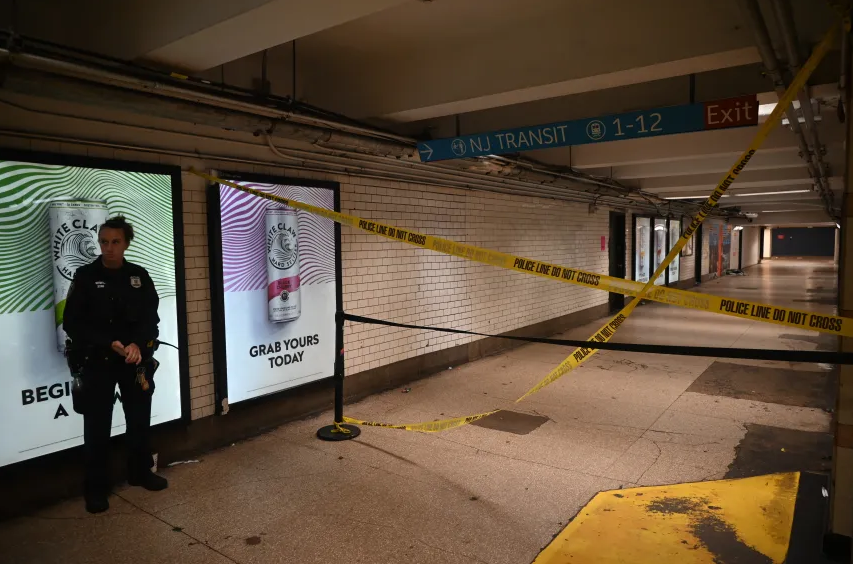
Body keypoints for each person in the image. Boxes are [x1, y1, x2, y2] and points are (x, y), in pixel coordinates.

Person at [63, 215, 168, 514]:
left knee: (139, 419)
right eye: (104, 242)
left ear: (126, 243)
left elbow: (151, 318)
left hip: (134, 361)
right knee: (97, 427)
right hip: (98, 361)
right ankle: (96, 488)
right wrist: (108, 342)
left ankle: (140, 472)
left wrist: (137, 344)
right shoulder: (85, 277)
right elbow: (72, 322)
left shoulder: (138, 275)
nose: (108, 248)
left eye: (115, 242)